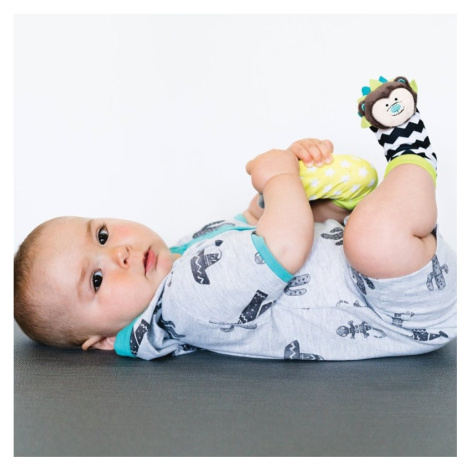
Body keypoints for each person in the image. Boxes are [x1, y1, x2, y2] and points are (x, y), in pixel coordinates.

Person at [14, 77, 456, 361]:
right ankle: (412, 149)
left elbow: (254, 224)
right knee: (371, 238)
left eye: (102, 235)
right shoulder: (185, 301)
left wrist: (295, 178)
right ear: (106, 340)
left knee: (336, 218)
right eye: (96, 280)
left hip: (380, 273)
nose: (120, 254)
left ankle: (357, 196)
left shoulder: (184, 251)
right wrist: (280, 178)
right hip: (402, 307)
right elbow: (283, 246)